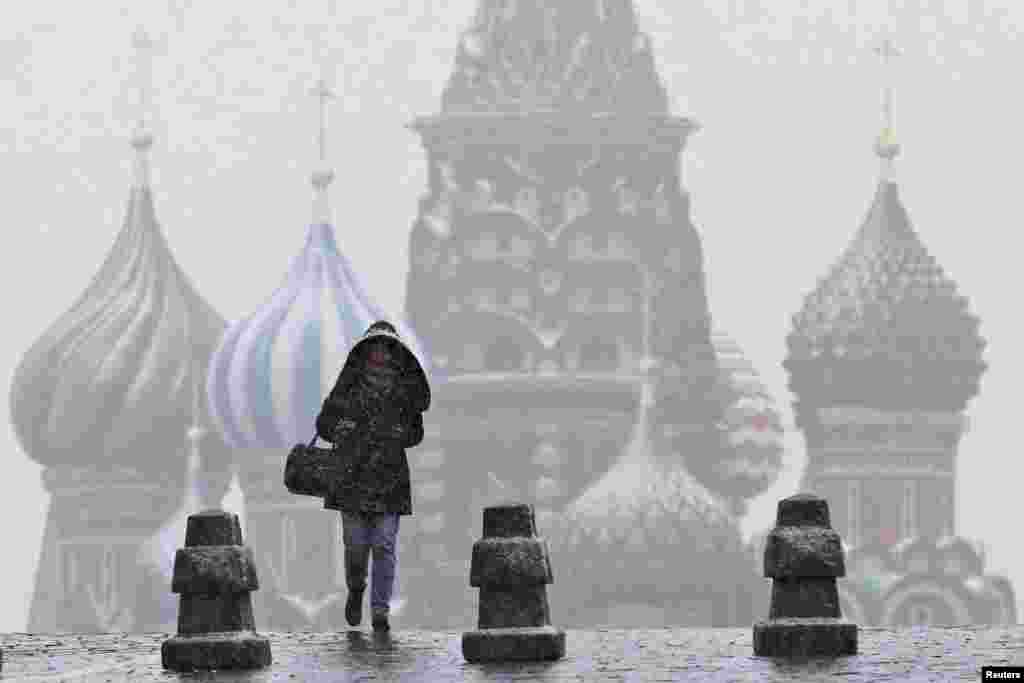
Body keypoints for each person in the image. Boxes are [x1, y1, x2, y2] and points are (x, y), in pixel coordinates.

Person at [315, 321, 430, 632]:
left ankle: (380, 610)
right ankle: (356, 588)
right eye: (375, 349)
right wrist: (340, 429)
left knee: (383, 546)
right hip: (351, 479)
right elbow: (324, 424)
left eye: (386, 350)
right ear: (365, 354)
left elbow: (416, 433)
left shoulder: (404, 394)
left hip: (389, 479)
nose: (380, 356)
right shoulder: (348, 390)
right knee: (355, 547)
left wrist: (398, 433)